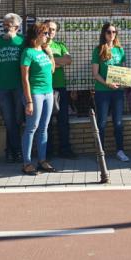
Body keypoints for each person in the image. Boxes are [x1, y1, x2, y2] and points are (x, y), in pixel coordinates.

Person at [20, 22, 56, 175]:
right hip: (35, 93)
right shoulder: (28, 53)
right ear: (37, 35)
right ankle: (27, 163)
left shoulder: (43, 51)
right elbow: (25, 78)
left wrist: (50, 54)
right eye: (45, 33)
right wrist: (28, 101)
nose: (48, 36)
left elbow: (52, 70)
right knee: (31, 128)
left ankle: (42, 160)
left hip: (48, 92)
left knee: (44, 128)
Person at [91, 22, 129, 162]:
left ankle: (120, 151)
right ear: (104, 33)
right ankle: (100, 153)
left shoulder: (120, 50)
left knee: (118, 122)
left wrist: (123, 80)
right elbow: (95, 74)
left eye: (114, 32)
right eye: (108, 32)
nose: (111, 34)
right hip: (102, 92)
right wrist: (108, 83)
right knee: (101, 123)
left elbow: (123, 71)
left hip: (117, 92)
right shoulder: (98, 50)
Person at [0, 13, 25, 163]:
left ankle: (11, 151)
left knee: (17, 119)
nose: (5, 27)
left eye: (8, 24)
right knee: (8, 119)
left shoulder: (22, 41)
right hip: (2, 85)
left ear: (16, 27)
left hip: (19, 85)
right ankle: (15, 151)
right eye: (4, 24)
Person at [45, 20, 76, 159]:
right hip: (45, 88)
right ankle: (48, 151)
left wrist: (50, 62)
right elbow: (39, 62)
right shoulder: (39, 46)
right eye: (49, 28)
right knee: (47, 122)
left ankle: (65, 149)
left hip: (60, 87)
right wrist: (57, 62)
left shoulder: (60, 45)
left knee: (63, 120)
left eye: (54, 29)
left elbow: (68, 60)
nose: (51, 31)